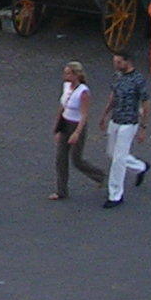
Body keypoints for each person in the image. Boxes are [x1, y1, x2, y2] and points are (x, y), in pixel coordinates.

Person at [99, 50, 150, 207]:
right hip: (116, 120)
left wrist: (143, 127)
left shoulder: (138, 80)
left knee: (118, 159)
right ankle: (140, 166)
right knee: (111, 153)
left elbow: (146, 103)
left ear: (128, 61)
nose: (116, 65)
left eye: (119, 62)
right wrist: (105, 114)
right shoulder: (117, 77)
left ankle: (115, 194)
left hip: (129, 123)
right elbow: (113, 96)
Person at [51, 61, 107, 201]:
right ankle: (61, 191)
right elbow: (62, 106)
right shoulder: (66, 87)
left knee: (77, 160)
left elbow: (84, 114)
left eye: (68, 73)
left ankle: (100, 176)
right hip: (65, 123)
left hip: (76, 125)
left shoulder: (83, 92)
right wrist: (57, 126)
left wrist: (77, 133)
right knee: (60, 158)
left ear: (76, 75)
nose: (65, 75)